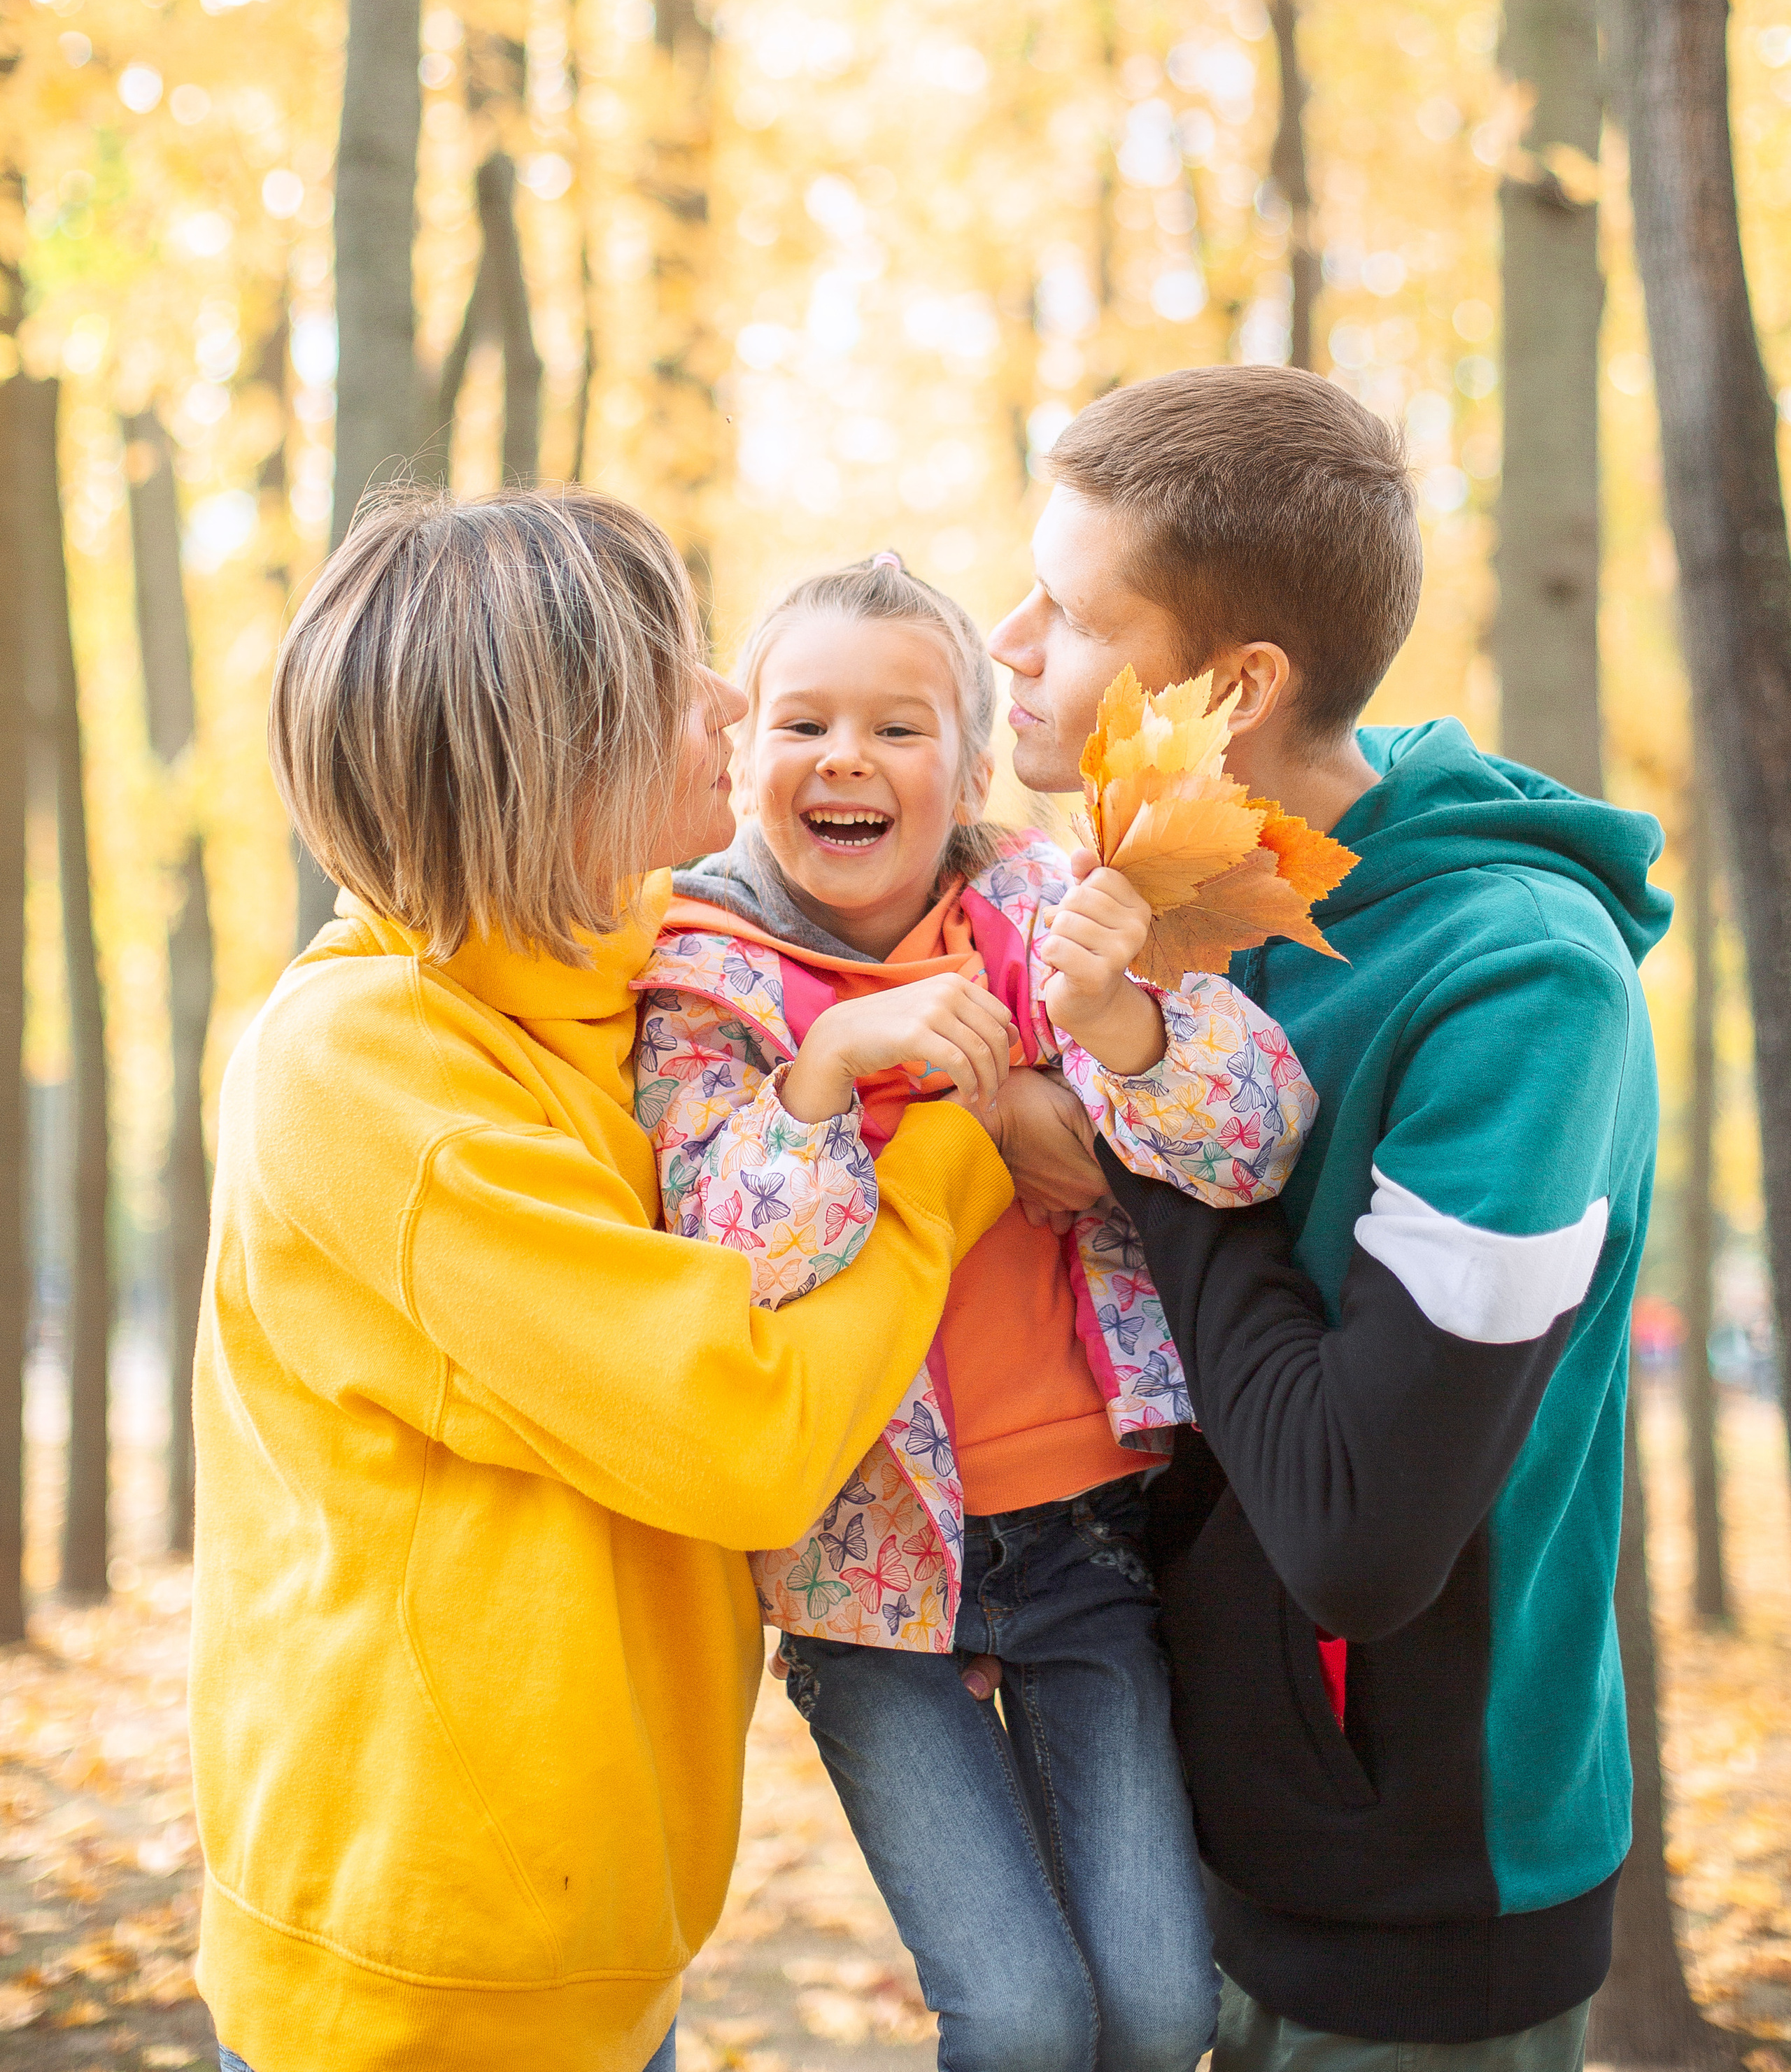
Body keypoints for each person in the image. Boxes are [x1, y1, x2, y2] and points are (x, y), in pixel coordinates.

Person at [190, 487, 1021, 2072]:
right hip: (427, 1963)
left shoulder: (618, 982)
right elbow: (742, 1433)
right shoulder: (372, 1071)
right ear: (553, 757)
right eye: (674, 672)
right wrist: (953, 1166)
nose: (729, 704)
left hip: (595, 1918)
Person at [984, 367, 1670, 2072]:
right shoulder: (1191, 893)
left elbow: (1360, 1532)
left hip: (1414, 1903)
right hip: (1167, 1842)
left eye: (1067, 615)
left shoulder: (1513, 982)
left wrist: (1153, 1124)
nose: (1007, 642)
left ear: (1230, 685)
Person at [632, 555, 1315, 2072]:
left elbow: (1252, 1135)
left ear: (968, 760)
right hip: (861, 1569)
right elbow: (732, 1255)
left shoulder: (1053, 910)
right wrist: (829, 1069)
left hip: (1079, 1536)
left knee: (1154, 2011)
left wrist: (1116, 1026)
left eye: (898, 727)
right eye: (803, 723)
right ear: (742, 756)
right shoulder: (700, 980)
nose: (846, 762)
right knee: (1017, 2018)